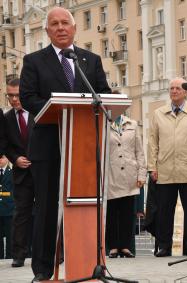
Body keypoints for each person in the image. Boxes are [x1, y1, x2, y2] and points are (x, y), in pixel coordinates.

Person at [19, 7, 111, 282]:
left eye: (65, 23)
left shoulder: (90, 60)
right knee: (47, 207)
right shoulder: (34, 60)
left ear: (74, 28)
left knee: (85, 205)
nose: (60, 28)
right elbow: (27, 97)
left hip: (82, 146)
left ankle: (88, 265)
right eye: (54, 24)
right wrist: (58, 109)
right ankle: (43, 270)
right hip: (48, 145)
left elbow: (102, 93)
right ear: (47, 31)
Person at [147, 77, 187, 257]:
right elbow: (152, 142)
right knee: (164, 211)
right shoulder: (158, 113)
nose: (174, 91)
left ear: (186, 91)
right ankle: (164, 246)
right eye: (171, 88)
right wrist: (151, 166)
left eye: (178, 88)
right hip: (165, 169)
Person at [4, 78, 35, 268]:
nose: (14, 100)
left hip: (41, 171)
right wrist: (15, 159)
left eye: (17, 95)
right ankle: (19, 255)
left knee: (45, 212)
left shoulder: (39, 112)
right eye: (10, 96)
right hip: (21, 174)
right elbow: (5, 145)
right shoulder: (6, 119)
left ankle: (54, 251)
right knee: (20, 214)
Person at [106, 114, 146, 258]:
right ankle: (113, 247)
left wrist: (142, 174)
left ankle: (126, 246)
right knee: (111, 212)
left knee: (128, 212)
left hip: (129, 172)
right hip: (111, 173)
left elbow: (139, 151)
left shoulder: (132, 124)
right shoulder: (104, 123)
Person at [0, 155, 13, 259]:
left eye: (2, 157)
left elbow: (14, 191)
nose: (0, 160)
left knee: (10, 235)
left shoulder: (12, 172)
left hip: (9, 208)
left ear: (7, 159)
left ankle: (9, 256)